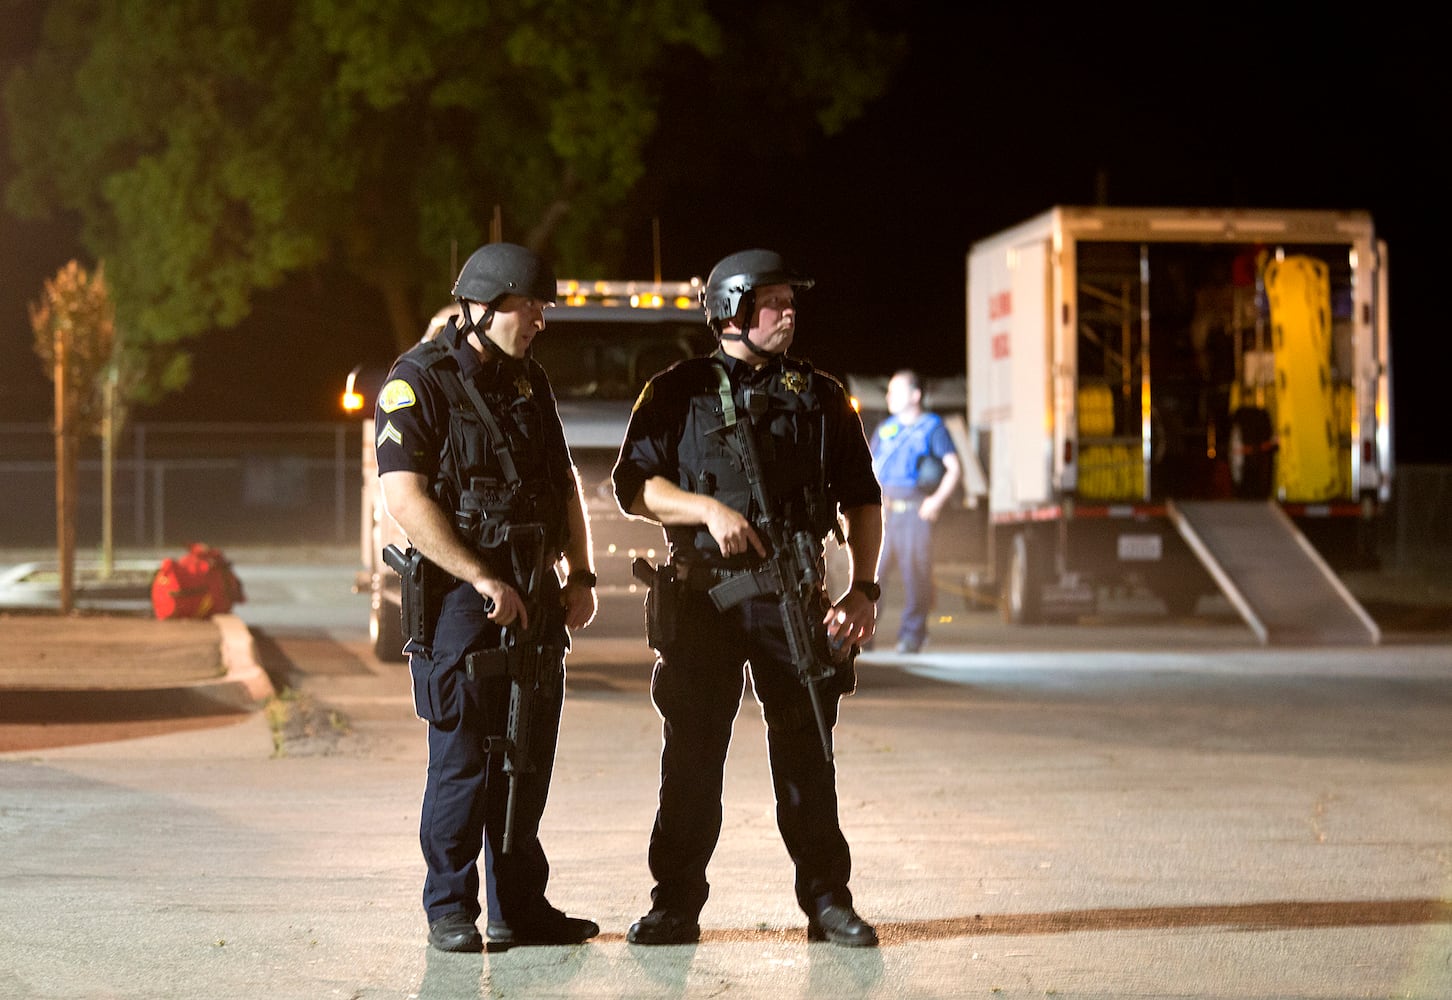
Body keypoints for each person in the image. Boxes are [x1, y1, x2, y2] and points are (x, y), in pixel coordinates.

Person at [611, 248, 884, 948]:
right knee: (693, 760)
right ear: (731, 308)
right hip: (704, 601)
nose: (788, 311)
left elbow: (862, 499)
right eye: (772, 301)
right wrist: (707, 510)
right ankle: (675, 904)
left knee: (806, 759)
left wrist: (863, 587)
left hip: (792, 601)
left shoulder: (821, 395)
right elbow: (636, 487)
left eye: (792, 299)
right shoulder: (678, 390)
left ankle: (827, 902)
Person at [374, 242, 600, 953]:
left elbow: (563, 481)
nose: (540, 320)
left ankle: (519, 909)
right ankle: (450, 909)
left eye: (542, 307)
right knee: (465, 762)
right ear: (484, 306)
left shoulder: (529, 381)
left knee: (526, 755)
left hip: (534, 585)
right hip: (463, 601)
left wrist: (583, 574)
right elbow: (403, 496)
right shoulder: (419, 381)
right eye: (530, 306)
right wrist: (478, 576)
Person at [869, 369, 962, 654]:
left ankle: (912, 635)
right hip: (886, 512)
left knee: (916, 576)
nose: (889, 397)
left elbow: (954, 468)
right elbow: (870, 467)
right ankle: (864, 634)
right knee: (871, 575)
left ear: (916, 395)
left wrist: (935, 502)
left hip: (913, 511)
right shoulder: (886, 430)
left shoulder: (931, 427)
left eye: (896, 391)